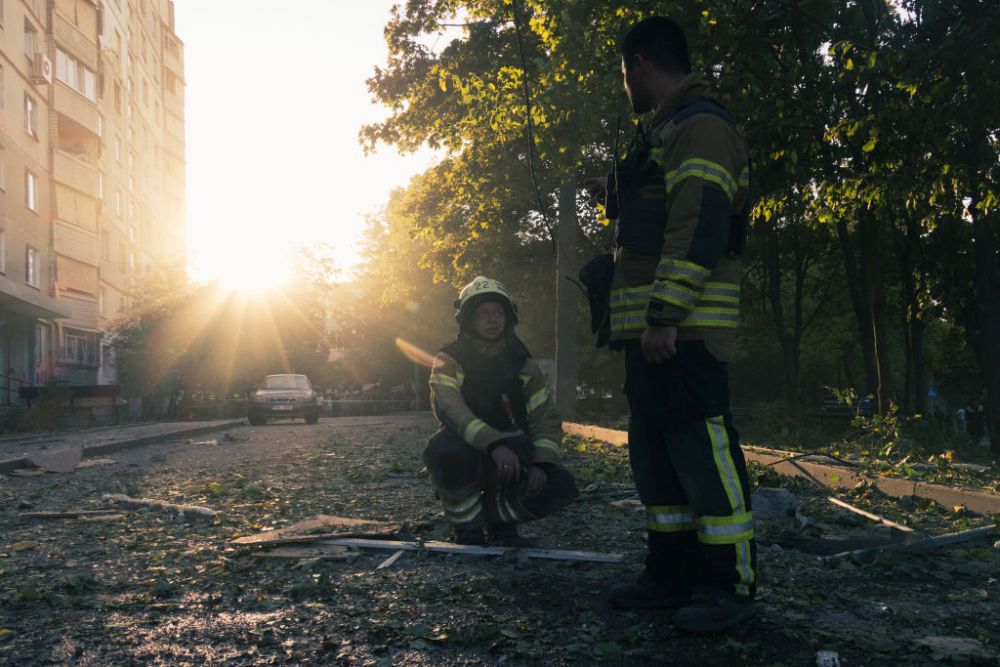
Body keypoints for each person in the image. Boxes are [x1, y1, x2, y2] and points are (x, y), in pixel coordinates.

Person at [584, 17, 755, 633]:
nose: (624, 86)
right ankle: (671, 575)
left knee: (703, 456)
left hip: (681, 333)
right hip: (650, 337)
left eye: (624, 74)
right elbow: (663, 214)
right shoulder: (664, 133)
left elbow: (702, 222)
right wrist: (615, 191)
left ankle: (728, 586)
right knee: (656, 460)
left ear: (640, 66)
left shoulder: (702, 125)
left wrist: (665, 315)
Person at [423, 276, 578, 546]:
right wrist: (494, 445)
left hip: (512, 452)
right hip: (466, 446)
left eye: (498, 312)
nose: (492, 319)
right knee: (445, 452)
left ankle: (499, 521)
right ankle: (468, 529)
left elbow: (544, 418)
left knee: (559, 485)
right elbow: (452, 410)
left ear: (509, 317)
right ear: (468, 319)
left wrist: (541, 462)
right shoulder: (449, 360)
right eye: (483, 313)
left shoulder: (524, 364)